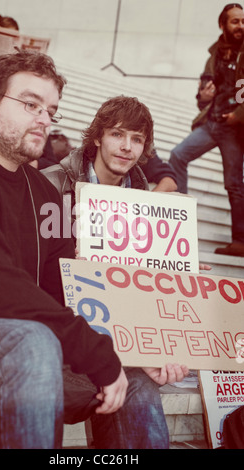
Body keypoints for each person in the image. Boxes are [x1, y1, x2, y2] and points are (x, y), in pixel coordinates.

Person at [0, 51, 187, 450]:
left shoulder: (41, 191)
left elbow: (66, 285)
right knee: (30, 341)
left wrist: (131, 347)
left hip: (25, 342)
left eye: (50, 110)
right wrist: (94, 352)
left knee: (135, 382)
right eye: (30, 104)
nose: (43, 118)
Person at [42, 95, 189, 448]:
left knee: (139, 383)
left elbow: (140, 291)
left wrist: (177, 274)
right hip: (58, 335)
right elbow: (32, 276)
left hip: (115, 344)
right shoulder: (49, 185)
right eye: (117, 135)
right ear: (97, 137)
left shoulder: (145, 203)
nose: (126, 148)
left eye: (136, 139)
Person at [169, 3, 244, 258]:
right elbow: (202, 96)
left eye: (243, 22)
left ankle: (240, 241)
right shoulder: (214, 55)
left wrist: (238, 116)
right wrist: (202, 96)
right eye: (235, 22)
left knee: (234, 184)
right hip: (212, 123)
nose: (240, 26)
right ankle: (182, 222)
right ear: (223, 25)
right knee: (178, 155)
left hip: (234, 129)